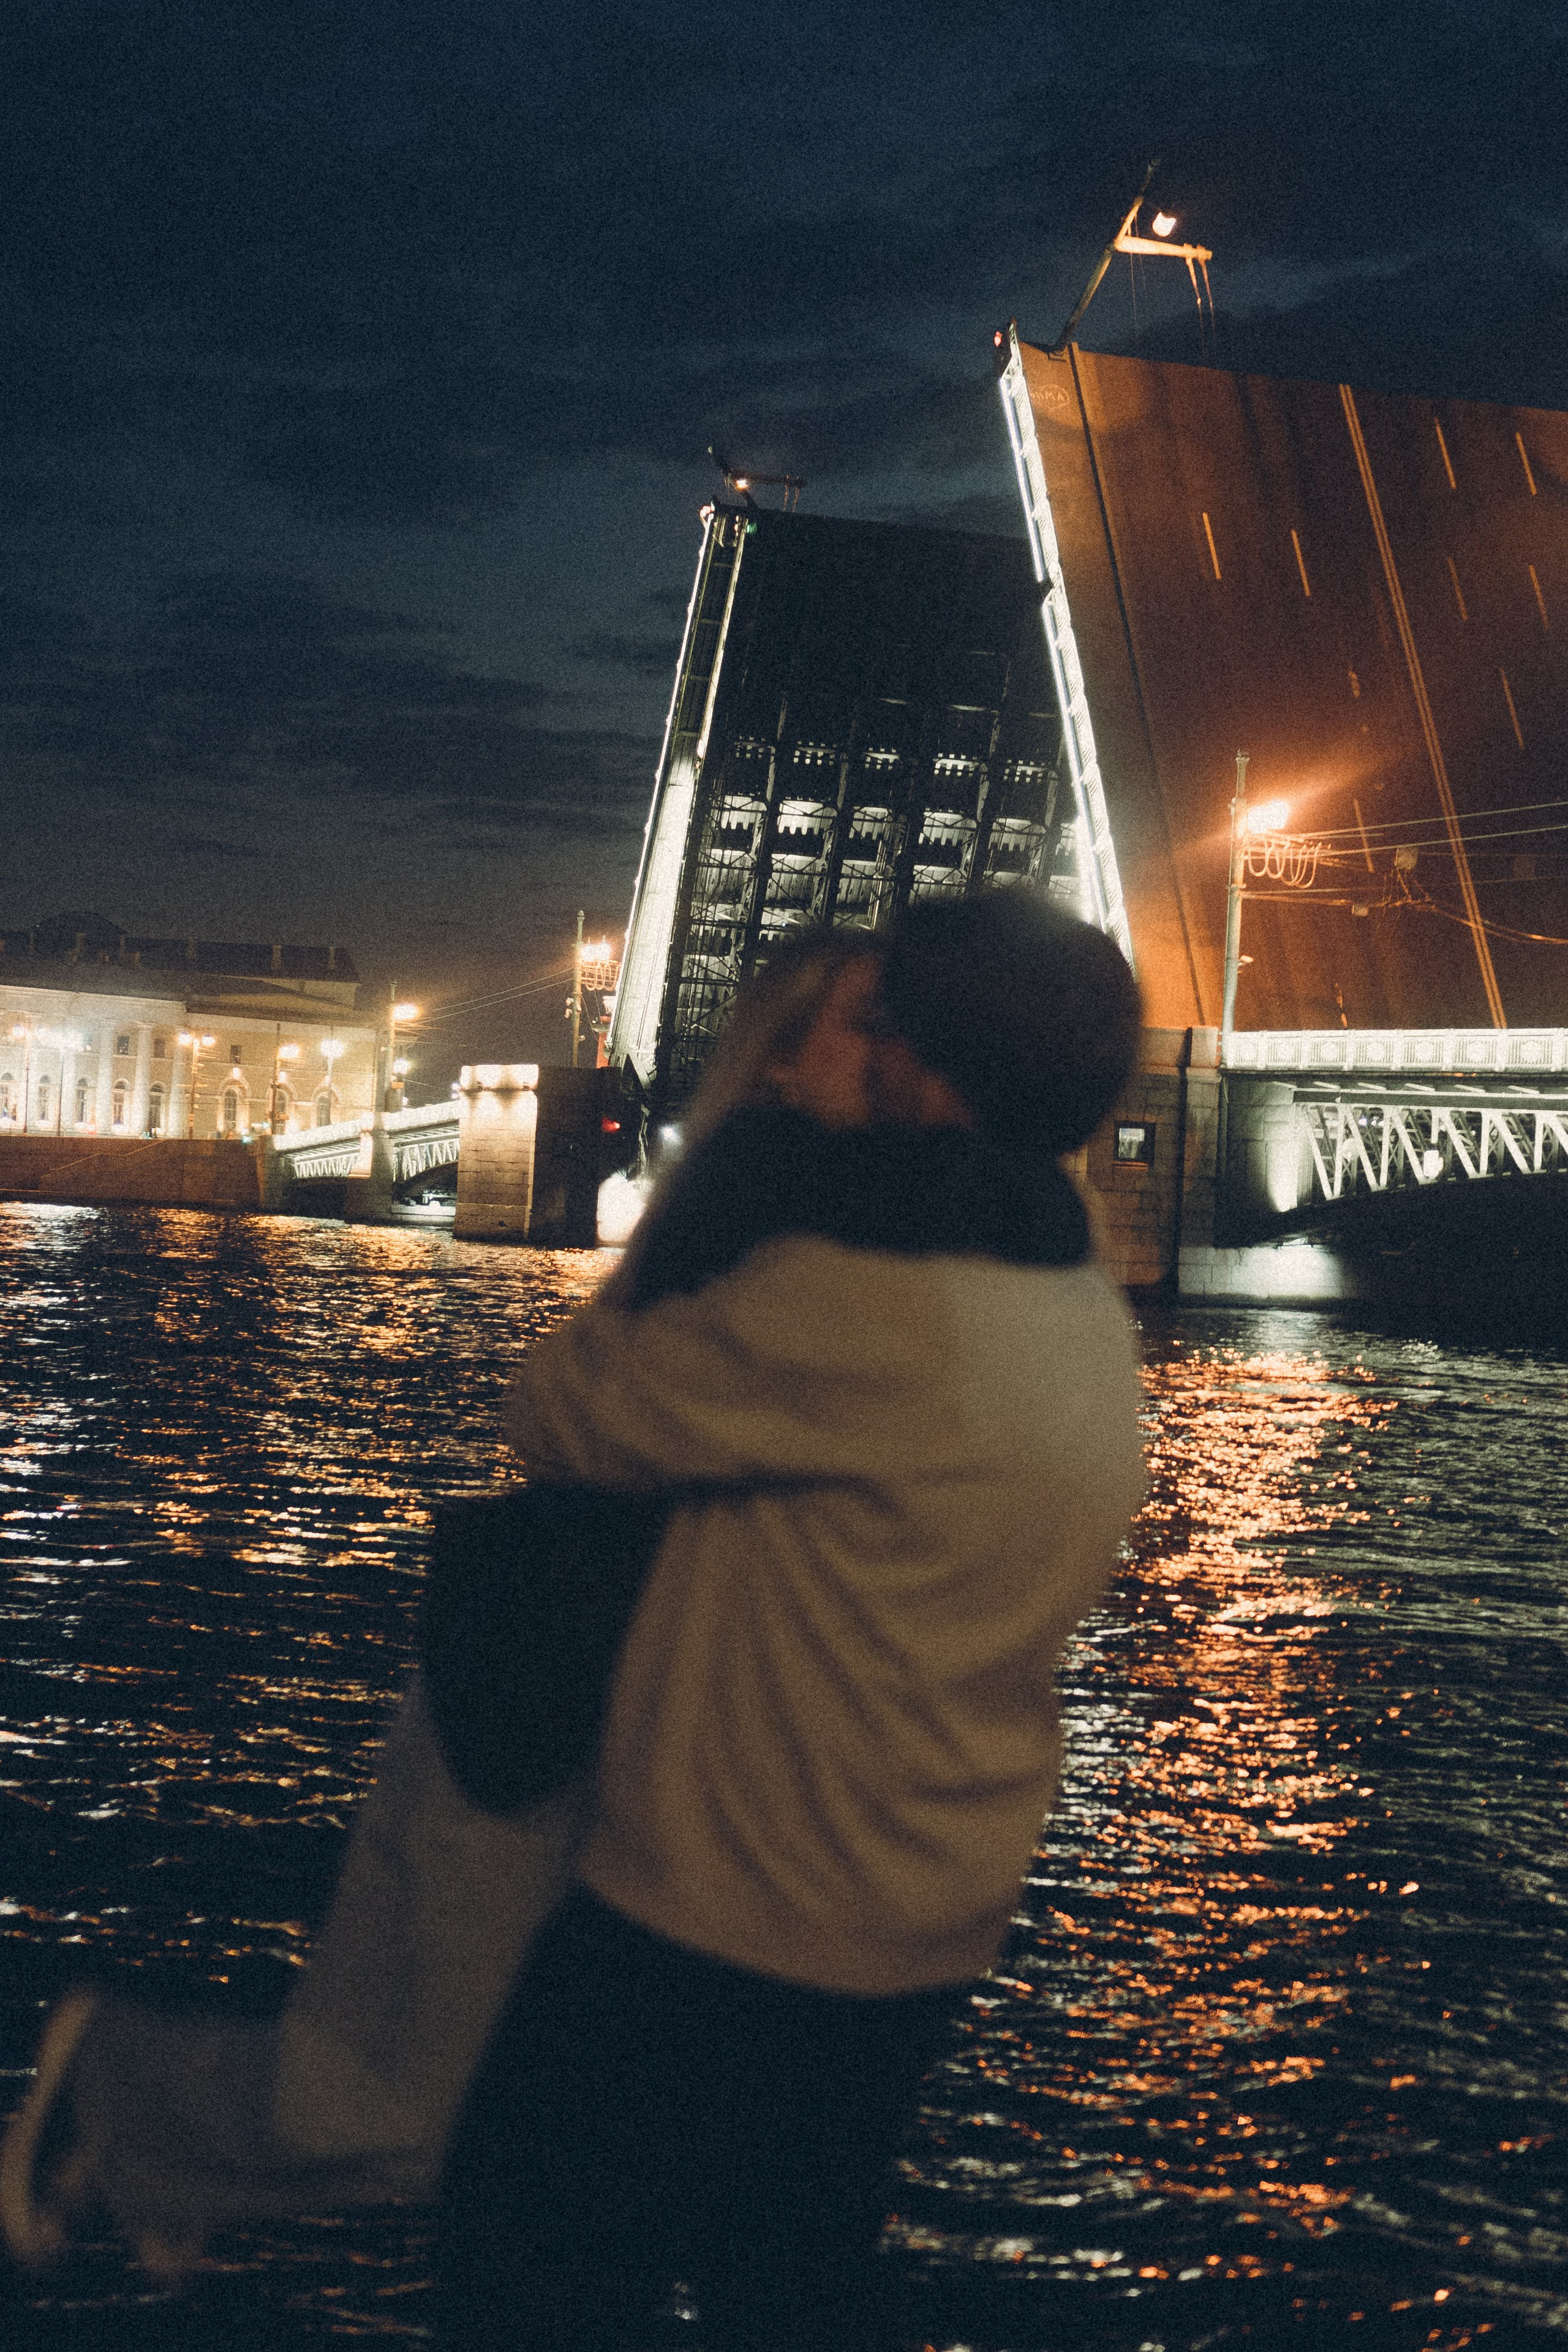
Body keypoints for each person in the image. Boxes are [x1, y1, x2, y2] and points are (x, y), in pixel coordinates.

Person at [437, 890, 1148, 2352]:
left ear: (925, 1062)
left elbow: (560, 1408)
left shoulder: (859, 1302)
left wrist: (738, 1185)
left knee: (526, 2275)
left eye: (888, 1026)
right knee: (791, 2286)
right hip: (928, 1917)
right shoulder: (1082, 1306)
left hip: (718, 1905)